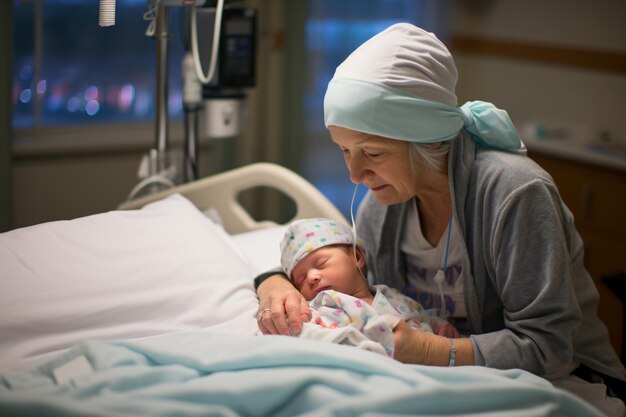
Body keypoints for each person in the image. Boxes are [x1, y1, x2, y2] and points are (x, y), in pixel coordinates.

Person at [255, 23, 626, 416]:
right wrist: (275, 285)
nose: (355, 175)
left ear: (424, 136)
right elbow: (346, 275)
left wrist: (429, 350)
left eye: (374, 153)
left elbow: (549, 347)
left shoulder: (514, 193)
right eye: (345, 150)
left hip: (570, 379)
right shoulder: (382, 207)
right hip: (460, 378)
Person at [273, 217, 459, 357]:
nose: (312, 277)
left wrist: (440, 326)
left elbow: (419, 315)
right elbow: (309, 336)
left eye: (321, 263)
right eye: (301, 280)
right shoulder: (323, 307)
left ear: (357, 257)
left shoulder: (390, 296)